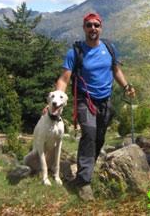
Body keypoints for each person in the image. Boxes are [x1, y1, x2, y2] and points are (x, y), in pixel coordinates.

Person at [54, 12, 135, 200]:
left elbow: (116, 70)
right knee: (89, 135)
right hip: (85, 99)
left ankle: (86, 170)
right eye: (89, 25)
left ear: (101, 28)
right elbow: (64, 79)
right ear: (84, 28)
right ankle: (83, 182)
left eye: (96, 25)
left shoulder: (109, 47)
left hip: (105, 101)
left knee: (99, 138)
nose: (93, 29)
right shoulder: (75, 51)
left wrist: (127, 86)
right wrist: (57, 101)